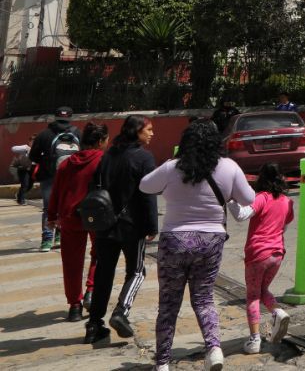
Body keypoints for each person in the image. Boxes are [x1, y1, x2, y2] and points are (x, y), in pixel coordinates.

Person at [141, 119, 255, 371]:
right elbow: (249, 198)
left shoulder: (172, 167)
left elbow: (144, 185)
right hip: (211, 240)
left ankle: (162, 363)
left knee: (169, 304)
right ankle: (214, 349)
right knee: (203, 299)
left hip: (174, 241)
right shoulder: (229, 166)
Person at [85, 114, 157, 345]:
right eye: (148, 129)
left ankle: (94, 324)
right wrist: (151, 225)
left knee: (104, 273)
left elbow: (95, 187)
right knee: (136, 271)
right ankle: (121, 312)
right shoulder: (144, 158)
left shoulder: (108, 156)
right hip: (131, 225)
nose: (152, 133)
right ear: (137, 131)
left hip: (105, 224)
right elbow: (148, 195)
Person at [49, 122, 108, 322]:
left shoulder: (66, 164)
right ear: (100, 141)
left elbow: (56, 192)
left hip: (69, 217)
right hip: (97, 215)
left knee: (71, 263)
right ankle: (91, 290)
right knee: (99, 253)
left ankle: (75, 305)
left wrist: (51, 216)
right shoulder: (103, 160)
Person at [241, 163, 294, 354]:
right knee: (263, 290)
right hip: (277, 254)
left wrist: (230, 200)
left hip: (258, 254)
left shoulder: (261, 198)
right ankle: (279, 312)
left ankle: (254, 340)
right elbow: (284, 226)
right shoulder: (287, 201)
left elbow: (243, 214)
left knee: (252, 295)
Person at [31, 105, 81, 253]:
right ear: (70, 117)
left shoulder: (44, 134)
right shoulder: (78, 133)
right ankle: (59, 237)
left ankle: (46, 240)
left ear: (55, 116)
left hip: (48, 176)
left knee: (48, 208)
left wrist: (46, 160)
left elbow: (32, 156)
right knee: (64, 206)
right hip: (70, 177)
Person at [11, 135, 34, 205]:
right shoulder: (25, 148)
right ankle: (21, 200)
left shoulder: (37, 149)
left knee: (30, 185)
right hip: (23, 169)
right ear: (29, 141)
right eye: (32, 141)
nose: (34, 142)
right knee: (25, 184)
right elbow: (13, 148)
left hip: (32, 169)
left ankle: (19, 195)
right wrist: (26, 148)